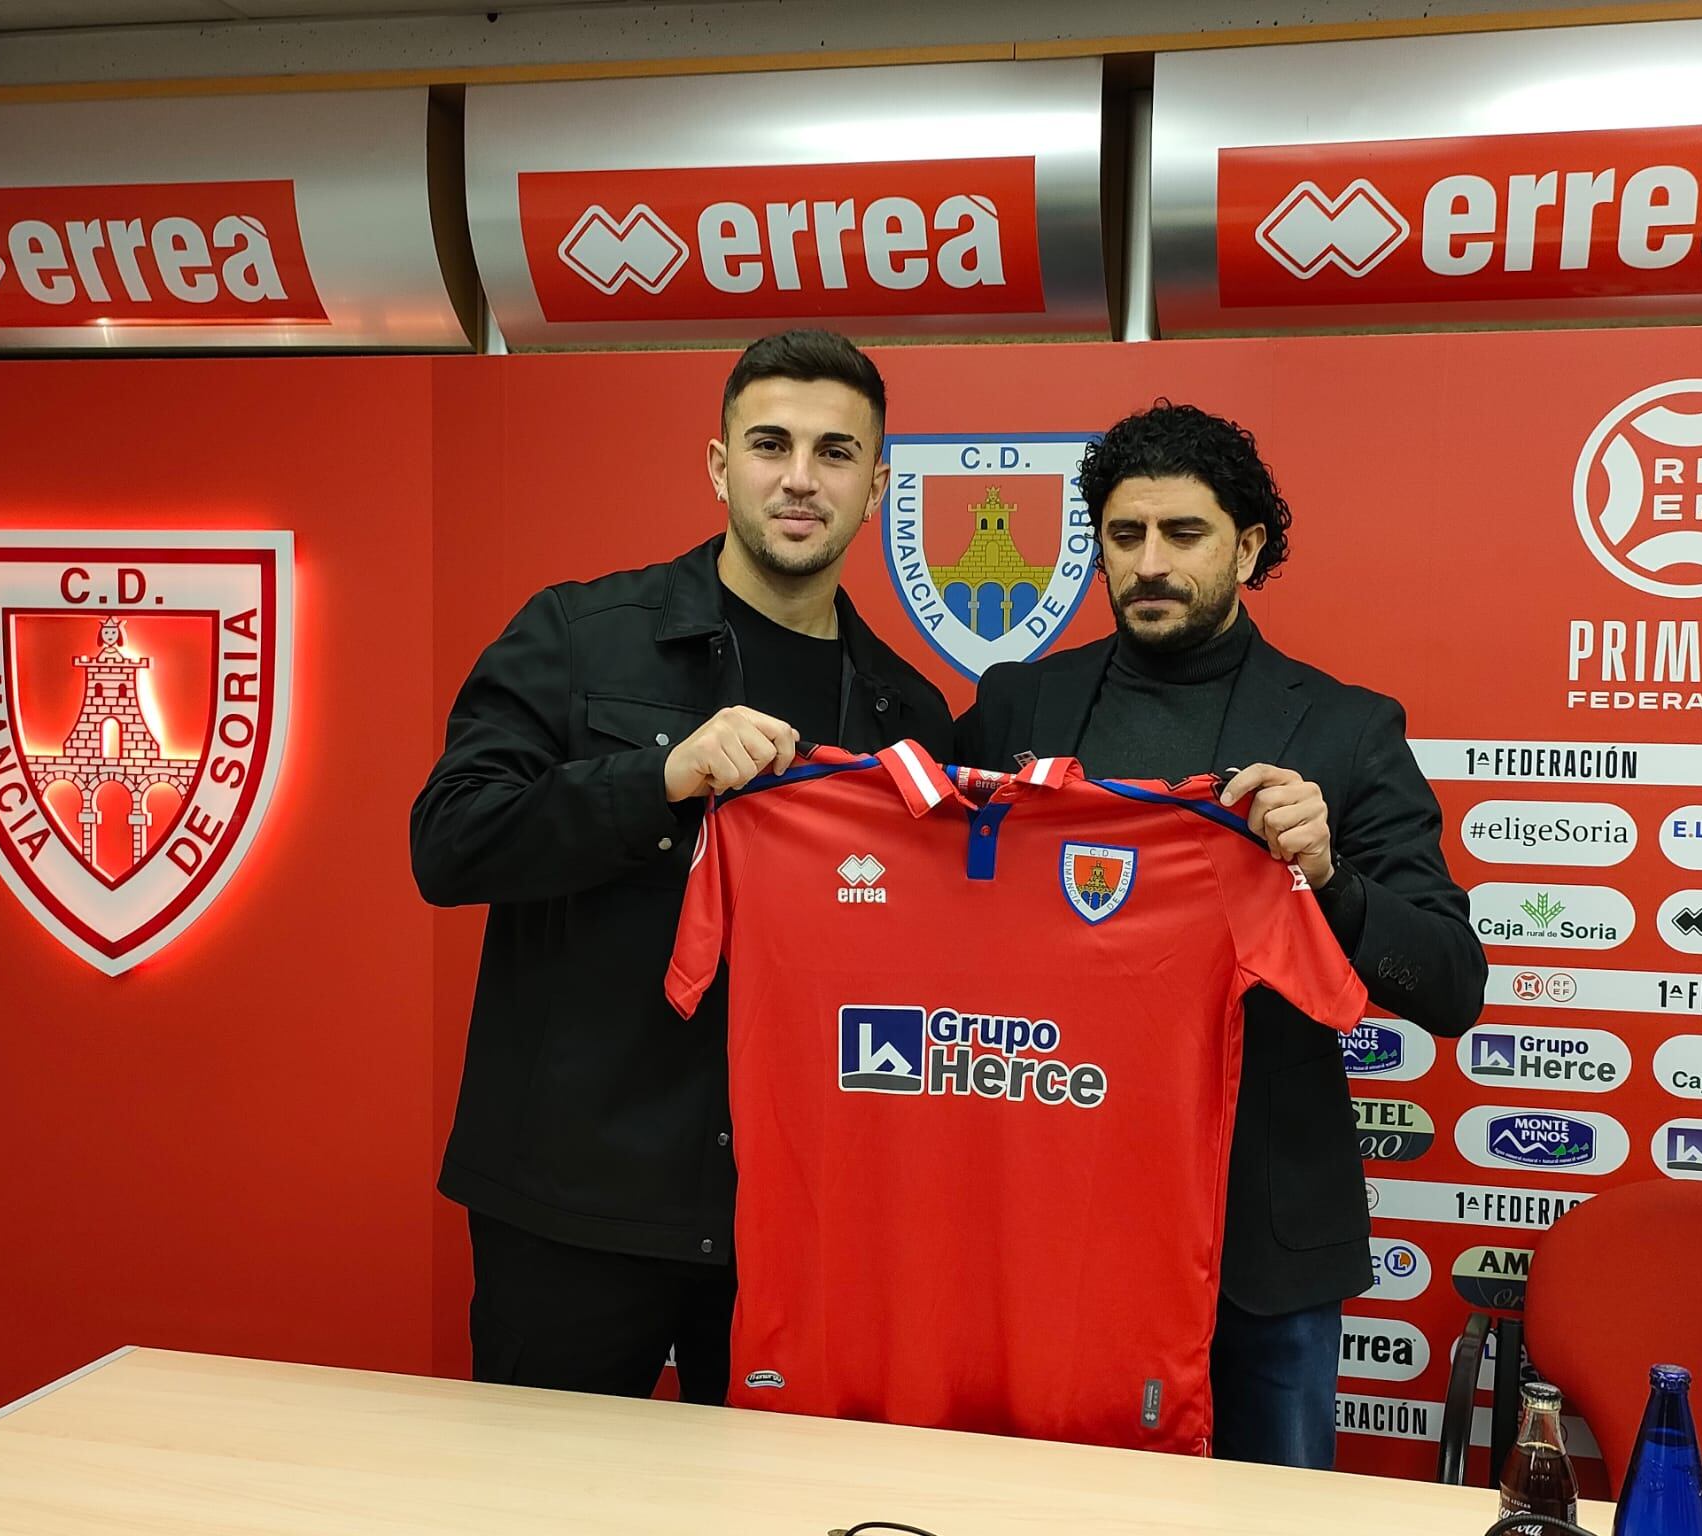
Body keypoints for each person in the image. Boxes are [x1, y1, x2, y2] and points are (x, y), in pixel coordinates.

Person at [411, 329, 954, 1405]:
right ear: (717, 465)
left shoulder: (910, 713)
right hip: (573, 1198)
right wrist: (658, 775)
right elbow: (451, 839)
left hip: (797, 1215)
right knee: (541, 1510)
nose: (799, 479)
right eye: (769, 444)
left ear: (878, 485)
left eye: (836, 453)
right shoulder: (576, 635)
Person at [955, 401, 1484, 1467]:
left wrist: (1326, 875)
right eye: (1122, 535)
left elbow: (1448, 984)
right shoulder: (1016, 705)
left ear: (1246, 545)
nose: (1148, 563)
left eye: (1182, 535)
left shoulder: (1341, 727)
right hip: (1049, 1214)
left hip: (1258, 1247)